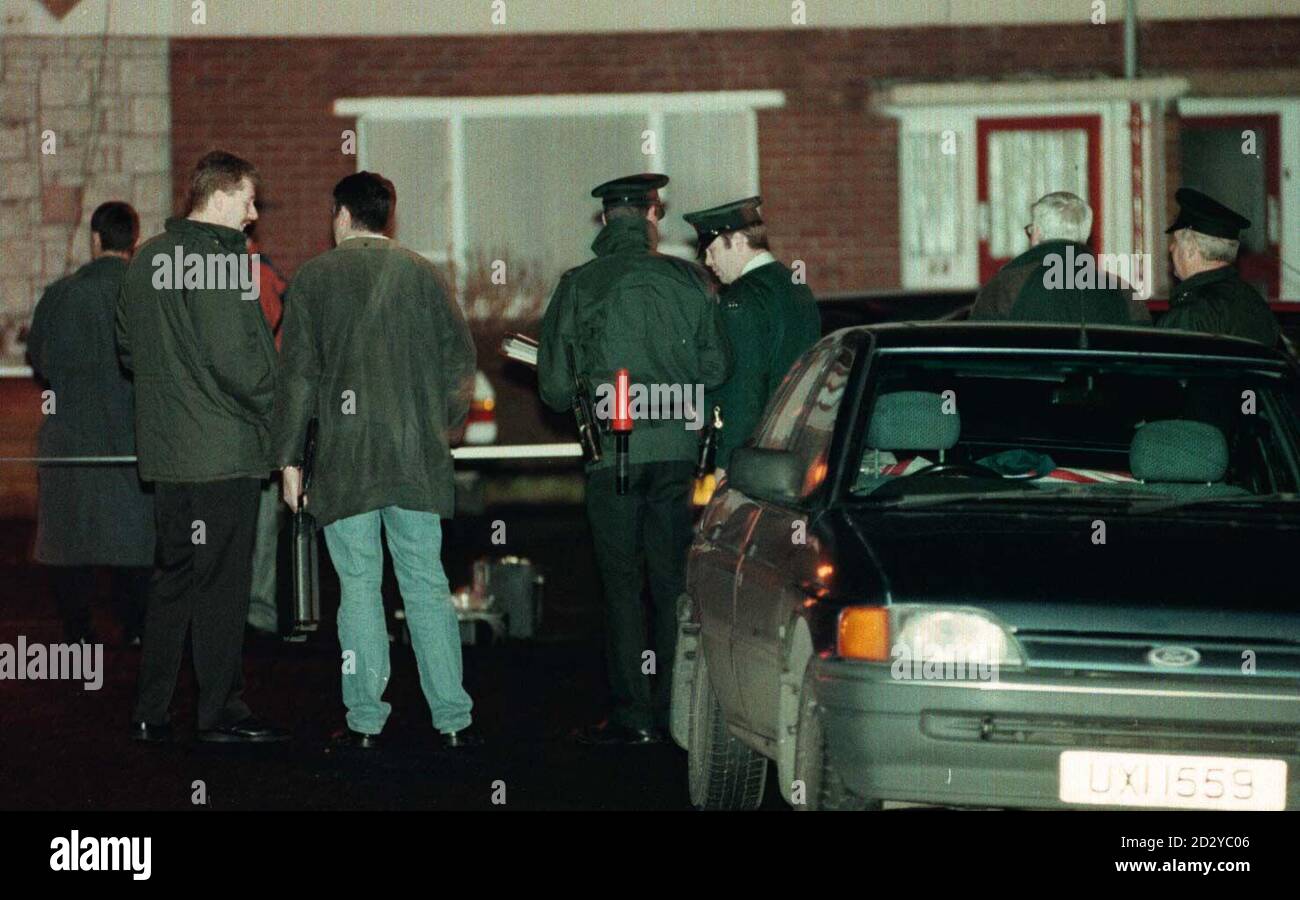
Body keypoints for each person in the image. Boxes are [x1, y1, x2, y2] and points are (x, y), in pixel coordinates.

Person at [273, 172, 479, 751]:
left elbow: (298, 380)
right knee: (427, 585)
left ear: (341, 215)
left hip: (345, 461)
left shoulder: (314, 279)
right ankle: (454, 720)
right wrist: (438, 429)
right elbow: (459, 366)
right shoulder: (424, 274)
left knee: (359, 589)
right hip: (415, 460)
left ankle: (365, 721)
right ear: (387, 217)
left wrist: (289, 461)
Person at [538, 173, 732, 745]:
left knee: (622, 586)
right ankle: (678, 712)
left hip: (613, 455)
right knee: (672, 581)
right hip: (676, 455)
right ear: (654, 216)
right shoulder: (691, 280)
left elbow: (552, 388)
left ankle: (634, 715)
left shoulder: (579, 285)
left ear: (605, 220)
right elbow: (716, 368)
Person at [116, 150, 287, 744]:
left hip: (169, 458)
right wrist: (282, 414)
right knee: (221, 584)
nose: (252, 213)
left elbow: (129, 351)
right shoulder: (216, 262)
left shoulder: (145, 261)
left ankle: (150, 710)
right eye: (247, 199)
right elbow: (237, 362)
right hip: (221, 455)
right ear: (219, 196)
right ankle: (221, 713)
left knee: (173, 578)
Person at [26, 202, 154, 646]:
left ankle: (77, 634)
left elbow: (40, 360)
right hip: (131, 437)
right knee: (135, 537)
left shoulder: (61, 294)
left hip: (70, 438)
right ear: (133, 242)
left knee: (70, 540)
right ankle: (136, 629)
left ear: (95, 239)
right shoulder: (146, 293)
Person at [684, 196, 820, 472]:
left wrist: (727, 465)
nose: (708, 262)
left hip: (757, 455)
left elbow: (744, 390)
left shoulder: (742, 298)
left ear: (737, 241)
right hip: (798, 443)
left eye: (711, 251)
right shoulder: (795, 286)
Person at [968, 191, 1150, 325]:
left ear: (1036, 233)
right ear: (1085, 236)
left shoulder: (1005, 287)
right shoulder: (1124, 291)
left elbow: (979, 359)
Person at [1159, 187, 1279, 346]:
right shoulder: (1256, 304)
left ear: (1191, 249)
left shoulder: (1190, 315)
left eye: (1175, 241)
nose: (1171, 248)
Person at [246, 236, 289, 637]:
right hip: (264, 422)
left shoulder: (249, 277)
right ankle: (258, 608)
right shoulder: (266, 274)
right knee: (261, 521)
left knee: (244, 520)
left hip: (242, 422)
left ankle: (251, 610)